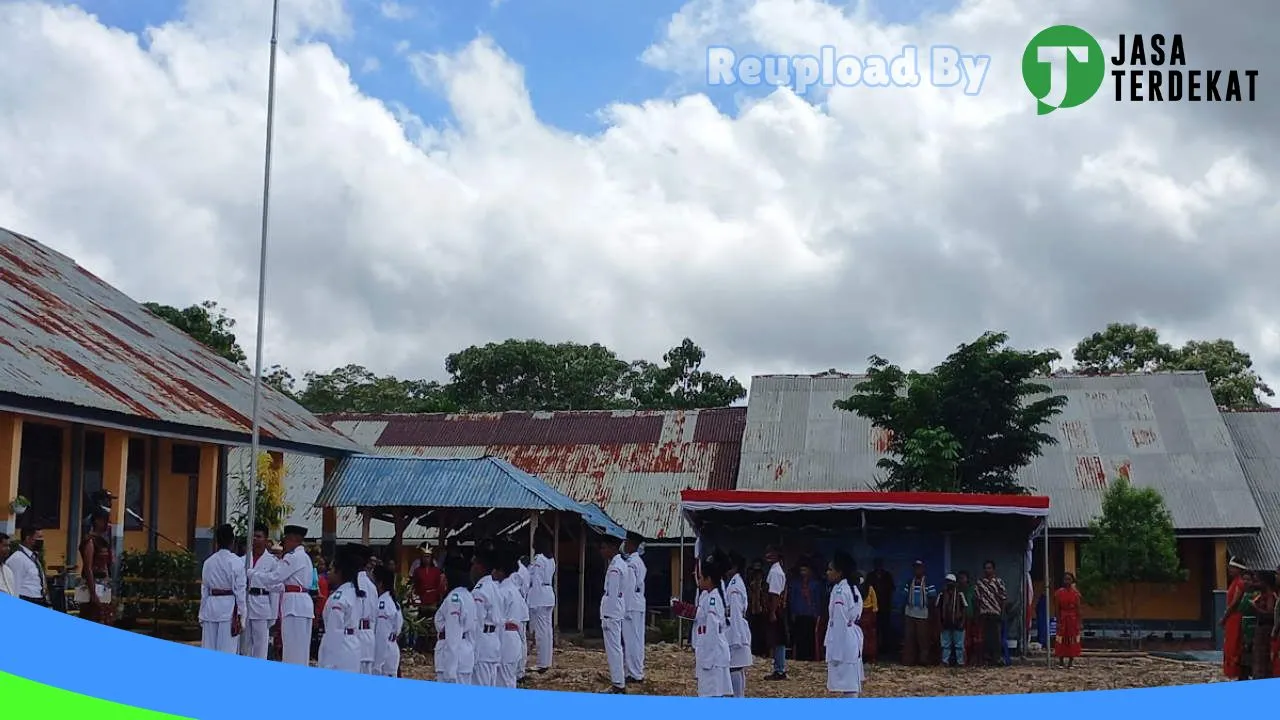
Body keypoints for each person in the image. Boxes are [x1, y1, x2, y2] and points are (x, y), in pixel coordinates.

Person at [249, 525, 315, 666]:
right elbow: (283, 584)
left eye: (286, 540)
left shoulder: (293, 557)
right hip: (302, 604)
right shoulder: (305, 557)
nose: (284, 544)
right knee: (301, 649)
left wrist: (253, 574)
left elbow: (275, 577)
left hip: (294, 606)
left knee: (292, 649)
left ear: (293, 540)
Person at [199, 524, 247, 654]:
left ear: (217, 542)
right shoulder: (236, 562)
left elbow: (204, 590)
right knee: (227, 651)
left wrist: (201, 614)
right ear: (232, 541)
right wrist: (242, 616)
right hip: (228, 609)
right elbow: (240, 591)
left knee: (208, 649)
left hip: (210, 608)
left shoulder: (208, 562)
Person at [692, 553, 733, 698]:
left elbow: (712, 632)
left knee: (711, 694)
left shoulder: (713, 600)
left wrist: (707, 660)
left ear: (709, 579)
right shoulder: (708, 596)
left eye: (701, 577)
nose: (699, 580)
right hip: (709, 652)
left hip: (713, 656)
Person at [824, 551, 864, 697]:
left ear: (839, 572)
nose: (827, 572)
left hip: (843, 639)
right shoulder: (852, 588)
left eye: (830, 569)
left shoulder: (840, 591)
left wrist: (836, 652)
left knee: (849, 684)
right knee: (851, 682)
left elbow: (840, 620)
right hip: (850, 637)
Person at [239, 523, 281, 659]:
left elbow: (275, 590)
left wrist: (273, 614)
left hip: (262, 605)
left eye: (259, 536)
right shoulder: (243, 560)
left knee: (261, 645)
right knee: (244, 645)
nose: (255, 539)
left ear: (266, 539)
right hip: (246, 602)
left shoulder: (272, 562)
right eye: (253, 536)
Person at [317, 547, 362, 673]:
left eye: (331, 569)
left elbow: (334, 631)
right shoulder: (354, 592)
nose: (328, 573)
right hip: (353, 646)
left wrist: (329, 663)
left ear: (340, 572)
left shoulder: (339, 598)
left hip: (340, 647)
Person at [436, 567, 477, 684]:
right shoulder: (468, 596)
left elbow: (453, 634)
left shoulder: (453, 599)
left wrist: (450, 670)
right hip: (465, 652)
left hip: (453, 657)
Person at [470, 549, 504, 687]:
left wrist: (473, 653)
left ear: (480, 567)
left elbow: (476, 624)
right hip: (493, 643)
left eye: (474, 564)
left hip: (482, 646)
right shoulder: (495, 587)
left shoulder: (480, 591)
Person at [600, 537, 628, 693]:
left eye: (604, 548)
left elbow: (613, 593)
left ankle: (618, 683)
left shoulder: (616, 567)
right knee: (615, 647)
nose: (602, 551)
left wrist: (607, 616)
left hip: (612, 611)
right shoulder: (618, 564)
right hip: (615, 609)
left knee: (614, 648)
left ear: (612, 548)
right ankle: (618, 680)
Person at [723, 552, 753, 697]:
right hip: (738, 629)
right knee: (738, 668)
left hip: (736, 631)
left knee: (734, 668)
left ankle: (738, 698)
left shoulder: (734, 587)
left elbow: (735, 613)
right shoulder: (735, 582)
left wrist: (736, 638)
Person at [498, 548, 529, 686]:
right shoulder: (509, 587)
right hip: (518, 612)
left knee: (504, 678)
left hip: (507, 631)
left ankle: (520, 671)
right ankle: (520, 671)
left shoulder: (504, 590)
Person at [78, 508, 115, 624]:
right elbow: (88, 567)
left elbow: (107, 565)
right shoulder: (90, 541)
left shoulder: (103, 541)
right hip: (93, 584)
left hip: (103, 584)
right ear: (98, 521)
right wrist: (93, 592)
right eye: (105, 521)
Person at [621, 532, 647, 684]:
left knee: (631, 640)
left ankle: (634, 673)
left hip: (631, 605)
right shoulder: (639, 562)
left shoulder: (632, 563)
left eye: (626, 542)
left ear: (631, 544)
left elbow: (629, 587)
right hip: (638, 603)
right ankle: (636, 670)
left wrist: (625, 608)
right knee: (637, 639)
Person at [528, 538, 557, 673]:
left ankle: (541, 663)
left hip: (541, 596)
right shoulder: (551, 559)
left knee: (541, 631)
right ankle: (547, 661)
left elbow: (536, 581)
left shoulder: (539, 559)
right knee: (547, 631)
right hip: (549, 593)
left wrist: (533, 602)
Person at [901, 560, 936, 666]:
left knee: (923, 638)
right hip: (910, 613)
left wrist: (931, 615)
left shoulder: (928, 582)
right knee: (909, 638)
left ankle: (923, 660)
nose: (917, 570)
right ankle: (909, 660)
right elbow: (904, 597)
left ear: (923, 569)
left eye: (919, 568)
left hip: (923, 614)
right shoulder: (909, 582)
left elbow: (932, 598)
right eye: (915, 568)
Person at [789, 560, 824, 661]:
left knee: (810, 637)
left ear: (810, 571)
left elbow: (818, 599)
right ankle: (800, 657)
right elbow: (792, 599)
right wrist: (793, 612)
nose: (802, 572)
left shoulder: (815, 584)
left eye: (805, 570)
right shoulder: (795, 583)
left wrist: (817, 613)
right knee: (799, 637)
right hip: (799, 614)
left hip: (811, 614)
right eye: (801, 570)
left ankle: (810, 657)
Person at [763, 546, 789, 680]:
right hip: (776, 608)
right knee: (777, 638)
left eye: (771, 553)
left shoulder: (776, 572)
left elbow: (774, 594)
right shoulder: (775, 570)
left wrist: (772, 612)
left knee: (778, 638)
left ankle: (779, 669)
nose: (768, 555)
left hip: (776, 609)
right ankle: (778, 666)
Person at [373, 565, 403, 678]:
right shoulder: (393, 602)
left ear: (380, 583)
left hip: (384, 653)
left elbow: (382, 635)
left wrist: (377, 664)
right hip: (392, 649)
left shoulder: (383, 605)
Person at [976, 560, 1007, 666]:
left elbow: (1003, 598)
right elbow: (977, 599)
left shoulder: (999, 582)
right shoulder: (980, 582)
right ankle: (986, 659)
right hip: (984, 612)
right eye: (985, 568)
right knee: (985, 637)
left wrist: (1001, 613)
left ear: (993, 569)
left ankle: (997, 659)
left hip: (995, 612)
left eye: (989, 568)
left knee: (996, 637)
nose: (987, 570)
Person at [9, 526, 48, 605]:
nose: (42, 540)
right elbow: (14, 586)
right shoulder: (18, 558)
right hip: (25, 599)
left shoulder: (33, 557)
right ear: (28, 539)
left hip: (38, 599)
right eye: (39, 537)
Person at [1052, 572, 1083, 668]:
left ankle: (1071, 661)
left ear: (1072, 580)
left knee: (1072, 639)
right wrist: (1058, 621)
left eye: (1069, 579)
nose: (1067, 581)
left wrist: (1079, 622)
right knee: (1061, 638)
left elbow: (1078, 609)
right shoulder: (1058, 593)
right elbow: (1057, 609)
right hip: (1062, 618)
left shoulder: (1076, 594)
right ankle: (1061, 661)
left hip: (1072, 619)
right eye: (1065, 579)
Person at [865, 558, 894, 660]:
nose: (878, 566)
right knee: (874, 631)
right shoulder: (870, 576)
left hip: (885, 607)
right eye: (876, 564)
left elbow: (891, 589)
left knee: (885, 629)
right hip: (872, 609)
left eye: (880, 564)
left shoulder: (887, 576)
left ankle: (886, 650)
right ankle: (874, 651)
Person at [1249, 571, 1276, 680]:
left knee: (1262, 660)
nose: (1255, 584)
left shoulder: (1270, 596)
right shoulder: (1262, 595)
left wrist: (1256, 608)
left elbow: (1270, 615)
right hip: (1261, 629)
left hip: (1265, 630)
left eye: (1258, 581)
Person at [936, 573, 967, 667]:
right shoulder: (941, 594)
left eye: (951, 582)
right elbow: (937, 609)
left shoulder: (960, 594)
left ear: (954, 583)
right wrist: (939, 623)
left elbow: (964, 608)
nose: (949, 584)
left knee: (959, 646)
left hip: (958, 623)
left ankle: (960, 662)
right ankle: (945, 661)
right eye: (947, 581)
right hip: (945, 623)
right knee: (945, 645)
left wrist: (962, 622)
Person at [858, 573, 879, 664]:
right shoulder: (856, 588)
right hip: (860, 614)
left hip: (868, 614)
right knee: (862, 636)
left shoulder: (869, 588)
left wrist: (874, 613)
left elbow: (874, 601)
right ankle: (862, 655)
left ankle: (871, 656)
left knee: (870, 636)